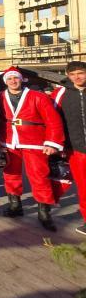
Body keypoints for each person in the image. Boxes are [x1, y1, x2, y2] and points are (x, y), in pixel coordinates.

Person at [0, 67, 64, 231]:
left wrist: (52, 142)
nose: (13, 81)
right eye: (10, 79)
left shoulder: (38, 96)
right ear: (5, 81)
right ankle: (15, 205)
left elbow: (53, 120)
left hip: (34, 141)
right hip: (9, 141)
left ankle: (44, 212)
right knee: (10, 174)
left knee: (39, 175)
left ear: (22, 79)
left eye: (16, 78)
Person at [52, 61, 86, 235]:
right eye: (72, 74)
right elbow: (52, 120)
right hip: (76, 149)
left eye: (80, 73)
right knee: (83, 186)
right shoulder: (60, 94)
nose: (77, 77)